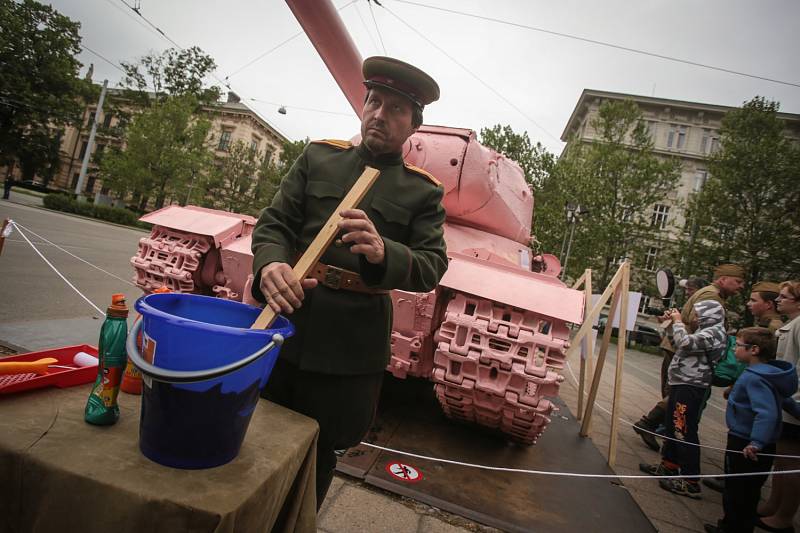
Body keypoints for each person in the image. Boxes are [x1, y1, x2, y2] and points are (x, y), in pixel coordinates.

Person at [250, 56, 448, 509]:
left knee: (317, 458)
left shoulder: (423, 192)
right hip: (284, 326)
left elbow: (432, 265)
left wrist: (386, 253)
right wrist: (269, 265)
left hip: (350, 350)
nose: (381, 114)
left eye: (397, 109)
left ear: (414, 124)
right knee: (253, 434)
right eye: (374, 102)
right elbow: (274, 224)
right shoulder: (320, 157)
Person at [633, 265, 745, 451]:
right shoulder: (712, 296)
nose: (741, 287)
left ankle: (659, 431)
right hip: (689, 351)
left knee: (678, 395)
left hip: (685, 347)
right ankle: (651, 425)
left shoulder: (714, 294)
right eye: (738, 282)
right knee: (681, 396)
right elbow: (697, 323)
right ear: (723, 279)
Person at [704, 327, 797, 533]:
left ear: (754, 349)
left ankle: (732, 528)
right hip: (757, 442)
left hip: (745, 442)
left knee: (737, 490)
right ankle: (735, 526)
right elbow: (785, 402)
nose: (735, 349)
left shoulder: (754, 377)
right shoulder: (769, 374)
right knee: (748, 491)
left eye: (738, 346)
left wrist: (756, 442)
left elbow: (767, 413)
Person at [639, 299, 728, 499]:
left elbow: (684, 342)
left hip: (691, 387)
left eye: (697, 314)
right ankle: (669, 466)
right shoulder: (704, 331)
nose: (693, 318)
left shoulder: (714, 333)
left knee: (683, 430)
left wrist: (678, 322)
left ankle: (690, 481)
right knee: (673, 426)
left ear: (708, 316)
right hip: (682, 383)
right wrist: (671, 325)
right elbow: (677, 343)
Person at [757, 280, 800, 533]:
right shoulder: (791, 324)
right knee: (781, 459)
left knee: (791, 461)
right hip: (786, 399)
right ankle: (773, 504)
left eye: (784, 296)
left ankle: (784, 515)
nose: (779, 300)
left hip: (794, 403)